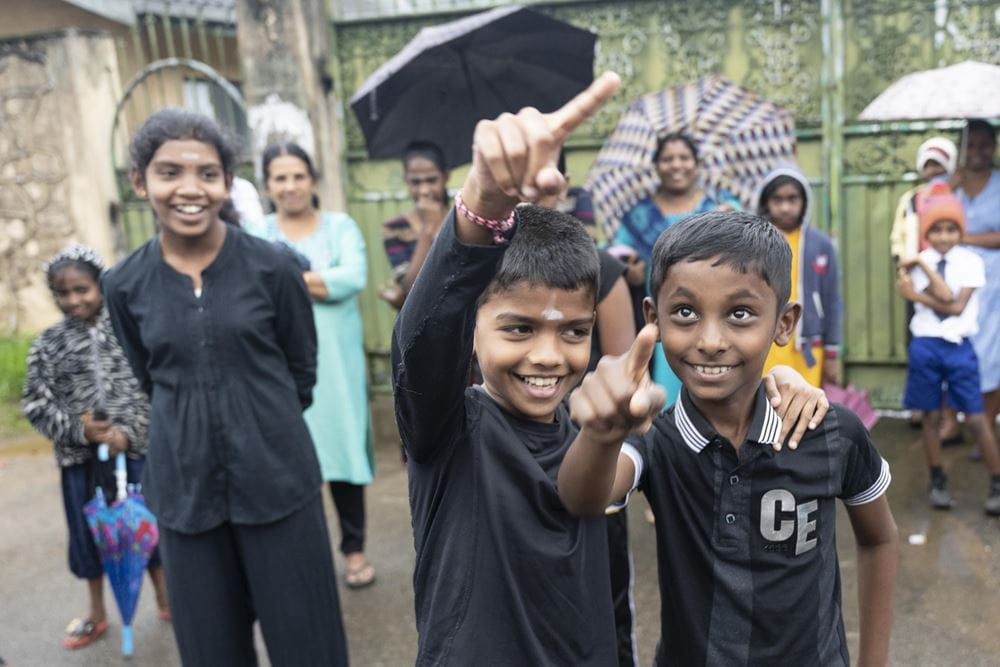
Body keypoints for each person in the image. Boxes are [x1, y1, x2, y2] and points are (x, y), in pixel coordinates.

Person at [392, 72, 829, 665]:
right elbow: (420, 337)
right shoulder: (446, 428)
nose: (548, 355)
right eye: (519, 328)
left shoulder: (593, 431)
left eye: (574, 332)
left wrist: (779, 380)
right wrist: (483, 205)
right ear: (471, 331)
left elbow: (701, 423)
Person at [559, 210, 899, 666]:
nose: (711, 339)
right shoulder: (655, 439)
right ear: (652, 316)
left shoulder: (829, 431)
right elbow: (583, 499)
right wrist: (600, 435)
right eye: (685, 312)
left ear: (784, 323)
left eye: (740, 313)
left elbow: (879, 539)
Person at [102, 109, 348, 665]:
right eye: (170, 173)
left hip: (279, 481)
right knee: (212, 650)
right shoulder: (123, 284)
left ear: (226, 183)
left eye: (208, 174)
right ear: (141, 182)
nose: (190, 189)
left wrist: (257, 420)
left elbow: (300, 372)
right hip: (184, 490)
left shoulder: (274, 268)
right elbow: (148, 375)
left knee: (309, 645)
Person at [22, 244, 169, 650]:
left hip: (135, 456)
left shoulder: (130, 331)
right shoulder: (48, 345)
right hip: (80, 463)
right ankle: (98, 611)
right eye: (63, 293)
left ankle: (166, 597)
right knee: (89, 535)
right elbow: (36, 403)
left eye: (82, 289)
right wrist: (79, 431)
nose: (74, 300)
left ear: (101, 285)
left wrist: (131, 434)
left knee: (146, 528)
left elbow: (153, 389)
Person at [245, 142, 375, 589]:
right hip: (276, 365)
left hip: (335, 367)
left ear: (313, 179)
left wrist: (285, 282)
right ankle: (303, 557)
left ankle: (354, 550)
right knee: (288, 461)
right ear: (267, 185)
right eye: (280, 177)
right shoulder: (255, 232)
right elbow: (248, 289)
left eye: (298, 175)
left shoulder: (340, 227)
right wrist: (317, 282)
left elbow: (353, 278)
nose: (290, 186)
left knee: (343, 456)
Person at [539, 154, 639, 666]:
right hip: (508, 462)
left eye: (545, 172)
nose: (532, 185)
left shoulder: (602, 270)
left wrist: (588, 412)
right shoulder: (478, 270)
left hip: (589, 452)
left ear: (564, 185)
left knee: (605, 605)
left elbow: (624, 372)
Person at [612, 132, 740, 405]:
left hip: (715, 305)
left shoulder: (719, 204)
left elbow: (747, 248)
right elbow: (617, 253)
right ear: (656, 165)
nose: (676, 165)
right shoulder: (640, 214)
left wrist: (729, 221)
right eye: (668, 159)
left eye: (684, 157)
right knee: (668, 378)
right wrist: (631, 269)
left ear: (696, 163)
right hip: (663, 310)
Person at [895, 183, 1000, 513]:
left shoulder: (969, 262)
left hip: (958, 347)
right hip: (926, 346)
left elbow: (951, 306)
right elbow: (941, 300)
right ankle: (937, 477)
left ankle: (996, 480)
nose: (942, 237)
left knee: (976, 417)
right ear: (928, 231)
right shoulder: (916, 260)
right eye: (936, 230)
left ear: (960, 230)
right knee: (930, 415)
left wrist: (918, 285)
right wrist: (920, 270)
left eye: (950, 229)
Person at [756, 164, 842, 387]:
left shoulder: (821, 245)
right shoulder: (754, 242)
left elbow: (831, 300)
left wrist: (832, 352)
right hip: (764, 340)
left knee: (804, 409)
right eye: (778, 200)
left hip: (807, 344)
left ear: (804, 202)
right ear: (766, 202)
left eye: (792, 199)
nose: (785, 207)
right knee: (766, 404)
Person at [955, 120, 1000, 441]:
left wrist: (964, 236)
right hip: (953, 279)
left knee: (990, 353)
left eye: (985, 145)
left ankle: (985, 425)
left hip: (992, 283)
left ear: (994, 147)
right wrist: (948, 187)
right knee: (952, 346)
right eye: (971, 144)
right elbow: (928, 222)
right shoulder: (949, 183)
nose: (977, 152)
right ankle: (949, 423)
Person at [379, 141, 450, 309]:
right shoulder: (395, 228)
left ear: (446, 177)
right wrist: (427, 231)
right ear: (406, 181)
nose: (424, 190)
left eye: (431, 180)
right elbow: (410, 288)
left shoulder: (463, 220)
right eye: (416, 182)